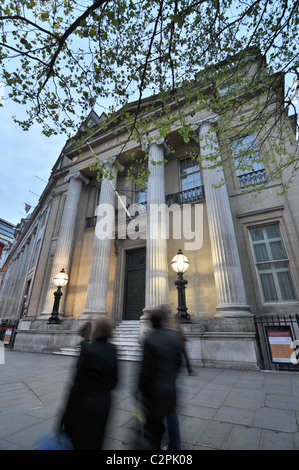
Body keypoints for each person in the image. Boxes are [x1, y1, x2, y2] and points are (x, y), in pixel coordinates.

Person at [61, 317, 118, 450]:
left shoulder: (87, 349)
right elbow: (115, 382)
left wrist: (65, 417)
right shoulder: (113, 350)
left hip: (84, 404)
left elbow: (77, 383)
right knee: (97, 441)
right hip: (104, 404)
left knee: (80, 441)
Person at [137, 306, 183, 450]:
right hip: (169, 386)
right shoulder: (174, 336)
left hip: (154, 390)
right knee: (171, 416)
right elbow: (178, 363)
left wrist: (140, 390)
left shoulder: (149, 338)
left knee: (153, 421)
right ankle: (175, 446)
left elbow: (145, 369)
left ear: (151, 322)